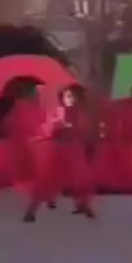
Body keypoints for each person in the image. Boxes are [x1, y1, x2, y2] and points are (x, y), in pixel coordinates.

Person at [0, 82, 54, 222]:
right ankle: (32, 210)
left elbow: (5, 127)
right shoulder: (31, 109)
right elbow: (37, 126)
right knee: (35, 179)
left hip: (17, 149)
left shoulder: (21, 110)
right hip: (24, 149)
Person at [92, 84, 132, 213]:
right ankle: (87, 202)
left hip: (131, 147)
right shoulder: (121, 106)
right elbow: (112, 123)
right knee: (98, 173)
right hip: (118, 145)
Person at [49, 84, 98, 218]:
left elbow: (85, 131)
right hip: (62, 149)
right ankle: (51, 197)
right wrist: (61, 127)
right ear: (62, 98)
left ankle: (83, 204)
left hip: (76, 149)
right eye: (68, 96)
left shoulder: (81, 112)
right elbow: (52, 129)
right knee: (59, 176)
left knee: (80, 179)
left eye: (74, 96)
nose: (72, 99)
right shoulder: (59, 112)